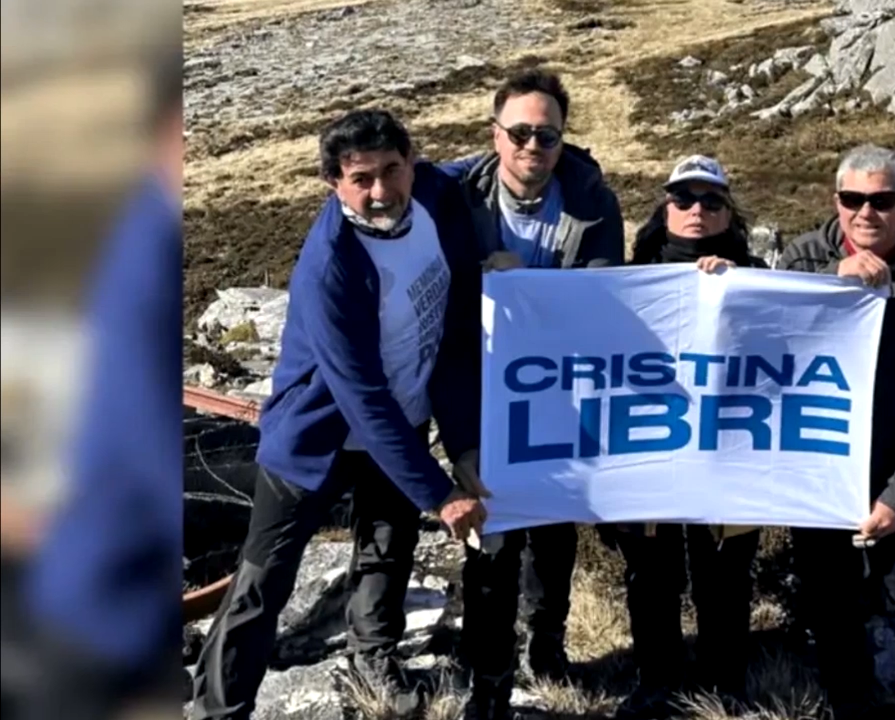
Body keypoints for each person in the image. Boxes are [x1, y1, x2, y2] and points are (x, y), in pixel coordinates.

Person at [189, 109, 489, 720]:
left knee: (386, 553)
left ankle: (373, 670)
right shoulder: (332, 265)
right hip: (316, 439)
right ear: (333, 183)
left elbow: (497, 169)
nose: (381, 191)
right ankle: (217, 708)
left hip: (403, 422)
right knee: (264, 580)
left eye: (391, 170)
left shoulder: (435, 193)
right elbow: (361, 394)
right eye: (361, 178)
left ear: (413, 162)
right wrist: (441, 493)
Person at [438, 68, 624, 719]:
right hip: (483, 397)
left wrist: (529, 290)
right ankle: (487, 678)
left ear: (562, 141)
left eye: (547, 136)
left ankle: (547, 646)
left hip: (559, 398)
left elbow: (602, 296)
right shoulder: (456, 195)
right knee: (491, 537)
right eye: (519, 133)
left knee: (553, 531)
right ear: (495, 135)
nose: (532, 148)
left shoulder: (594, 201)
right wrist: (480, 282)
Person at [17, 44, 185, 720]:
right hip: (106, 599)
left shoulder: (150, 235)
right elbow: (145, 433)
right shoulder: (140, 258)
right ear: (162, 134)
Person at [778, 144, 895, 720]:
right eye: (852, 199)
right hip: (817, 476)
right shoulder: (803, 259)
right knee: (830, 606)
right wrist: (833, 283)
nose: (867, 212)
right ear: (835, 201)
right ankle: (850, 705)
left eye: (883, 200)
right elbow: (761, 320)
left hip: (891, 476)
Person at [608, 155, 768, 719]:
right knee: (651, 575)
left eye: (711, 201)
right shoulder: (630, 278)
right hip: (650, 446)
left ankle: (723, 681)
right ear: (665, 208)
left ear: (729, 213)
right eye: (683, 199)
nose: (696, 210)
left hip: (731, 448)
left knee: (724, 575)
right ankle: (657, 680)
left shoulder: (761, 278)